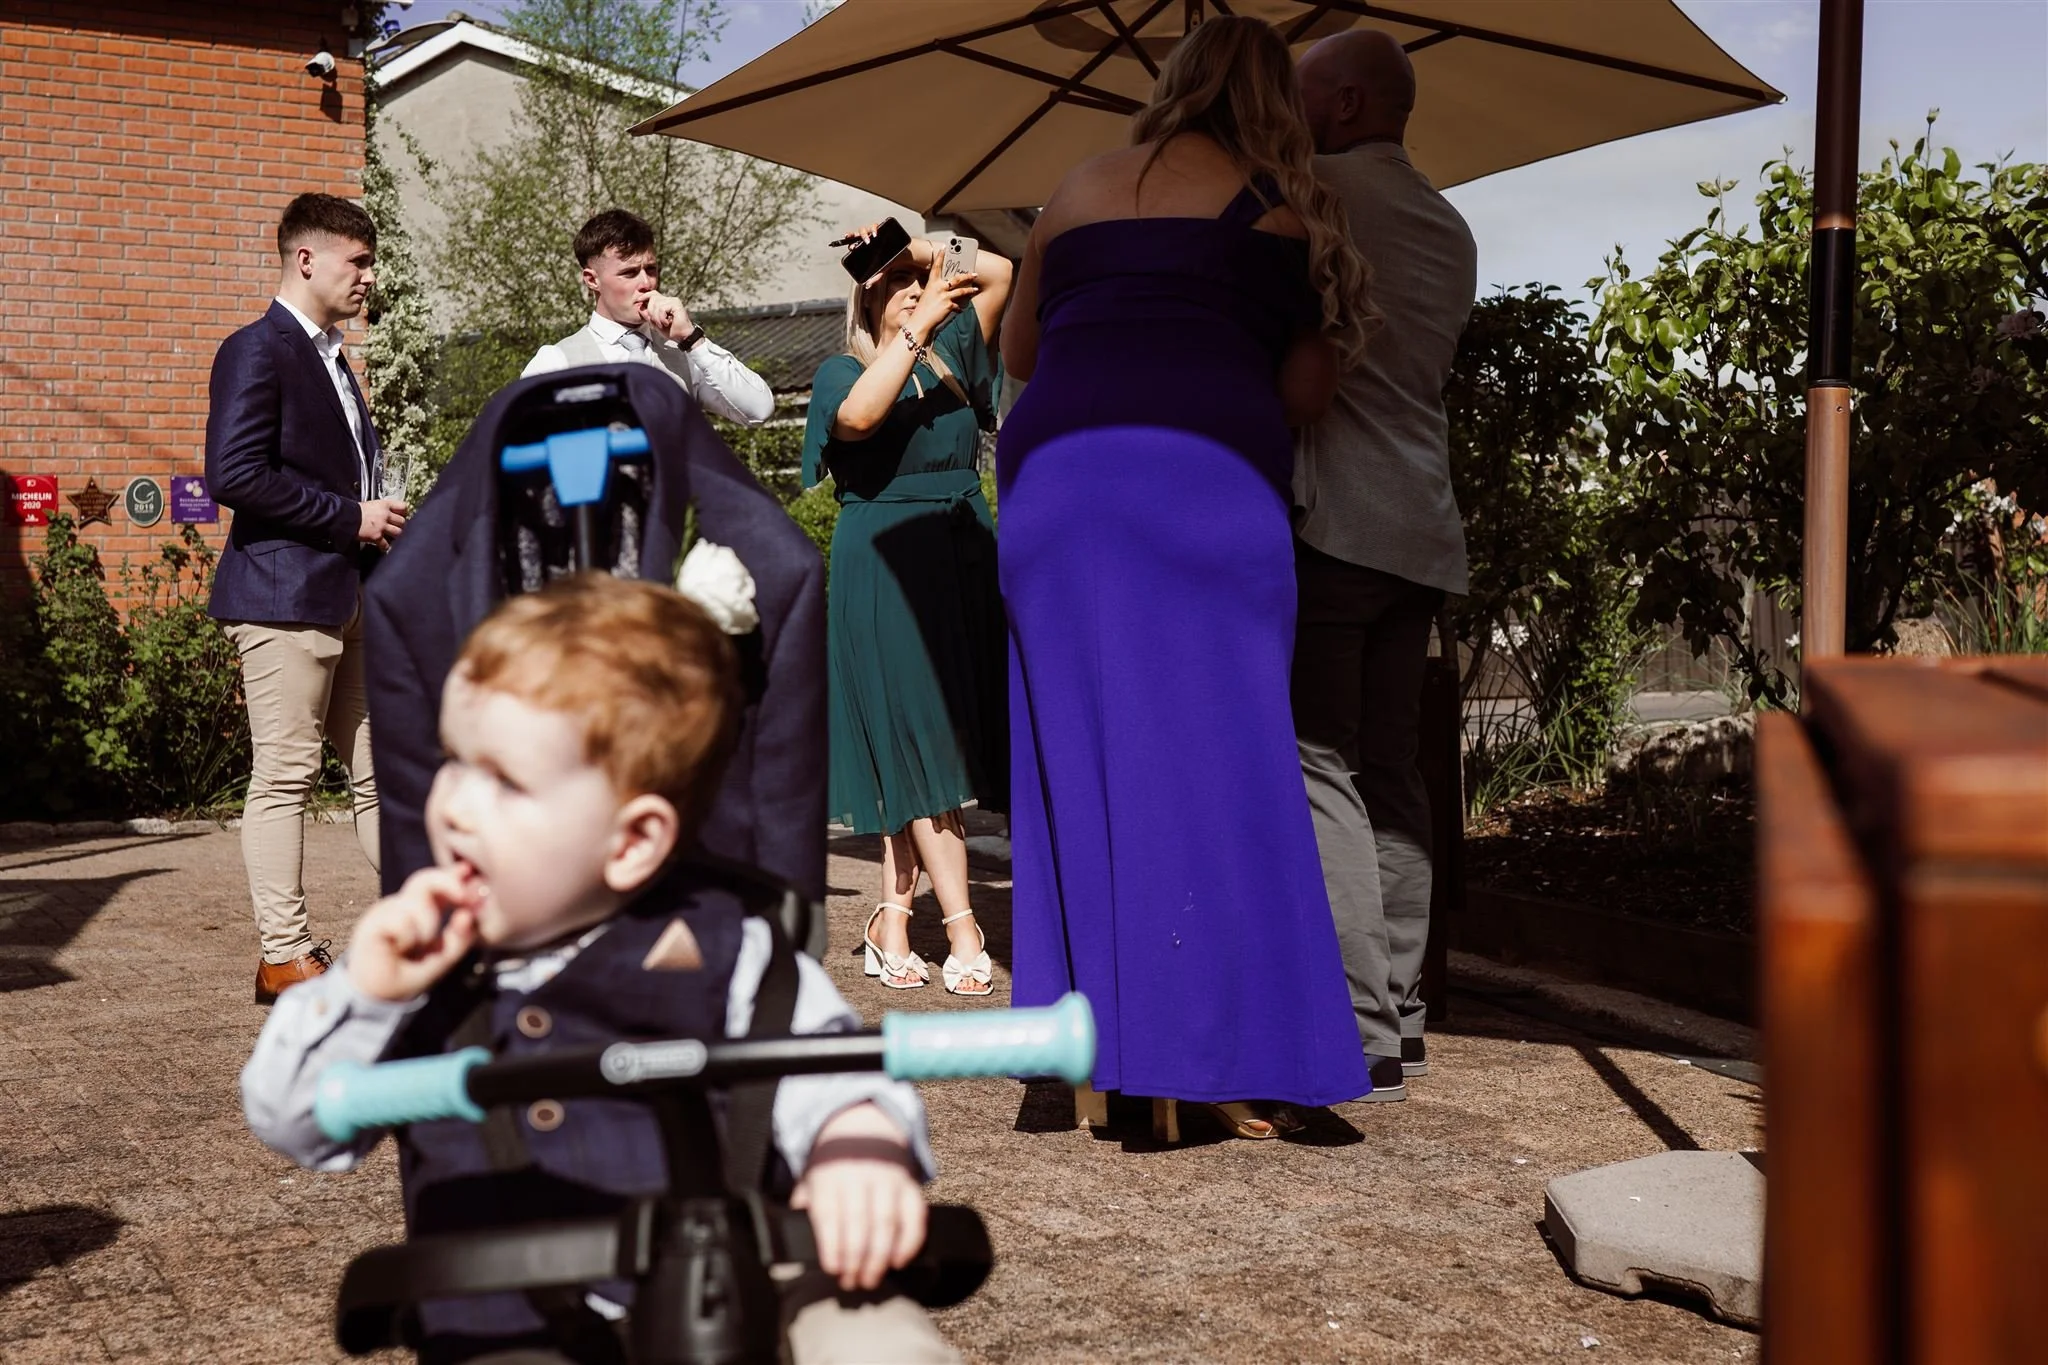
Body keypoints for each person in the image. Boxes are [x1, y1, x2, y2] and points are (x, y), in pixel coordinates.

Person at [241, 576, 958, 1365]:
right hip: (510, 1318)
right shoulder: (418, 974)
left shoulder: (731, 948)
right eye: (454, 761)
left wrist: (857, 1139)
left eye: (503, 780)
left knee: (876, 1331)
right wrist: (363, 992)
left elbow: (835, 1063)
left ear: (632, 840)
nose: (452, 806)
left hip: (733, 1288)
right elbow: (291, 1117)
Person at [996, 15, 1376, 1138]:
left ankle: (1089, 1050)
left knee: (1078, 755)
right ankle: (1218, 1052)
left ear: (1173, 83)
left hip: (1060, 483)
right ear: (1274, 101)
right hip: (1202, 481)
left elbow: (1020, 353)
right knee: (1227, 759)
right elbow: (1304, 395)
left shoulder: (1075, 188)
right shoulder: (1287, 211)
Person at [1292, 30, 1478, 1091]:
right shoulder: (1447, 223)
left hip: (1337, 521)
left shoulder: (1312, 194)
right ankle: (1402, 1005)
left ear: (1348, 102)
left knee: (1319, 759)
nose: (1288, 115)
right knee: (1393, 767)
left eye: (1302, 95)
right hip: (1421, 522)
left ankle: (1354, 1014)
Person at [800, 228, 1012, 998]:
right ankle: (962, 927)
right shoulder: (841, 371)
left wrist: (910, 248)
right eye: (894, 284)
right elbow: (860, 419)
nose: (916, 288)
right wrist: (914, 324)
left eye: (919, 280)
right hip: (886, 566)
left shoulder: (953, 350)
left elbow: (1000, 271)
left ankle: (891, 921)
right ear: (867, 303)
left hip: (960, 554)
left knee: (914, 744)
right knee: (923, 743)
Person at [207, 192, 403, 1005]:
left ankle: (431, 924)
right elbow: (233, 473)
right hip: (282, 597)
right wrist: (350, 516)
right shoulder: (256, 349)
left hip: (350, 594)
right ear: (307, 258)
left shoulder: (335, 360)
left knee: (382, 775)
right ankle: (283, 954)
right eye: (359, 261)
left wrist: (379, 526)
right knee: (285, 776)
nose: (369, 276)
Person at [522, 207, 776, 427]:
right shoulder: (557, 362)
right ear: (592, 280)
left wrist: (692, 339)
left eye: (651, 269)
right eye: (630, 273)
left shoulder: (682, 351)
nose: (647, 283)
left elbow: (759, 411)